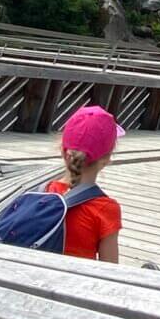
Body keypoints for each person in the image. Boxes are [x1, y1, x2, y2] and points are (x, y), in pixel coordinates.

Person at [43, 105, 124, 261]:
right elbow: (111, 269)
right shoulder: (106, 209)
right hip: (75, 284)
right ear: (106, 160)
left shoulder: (43, 191)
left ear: (62, 151)